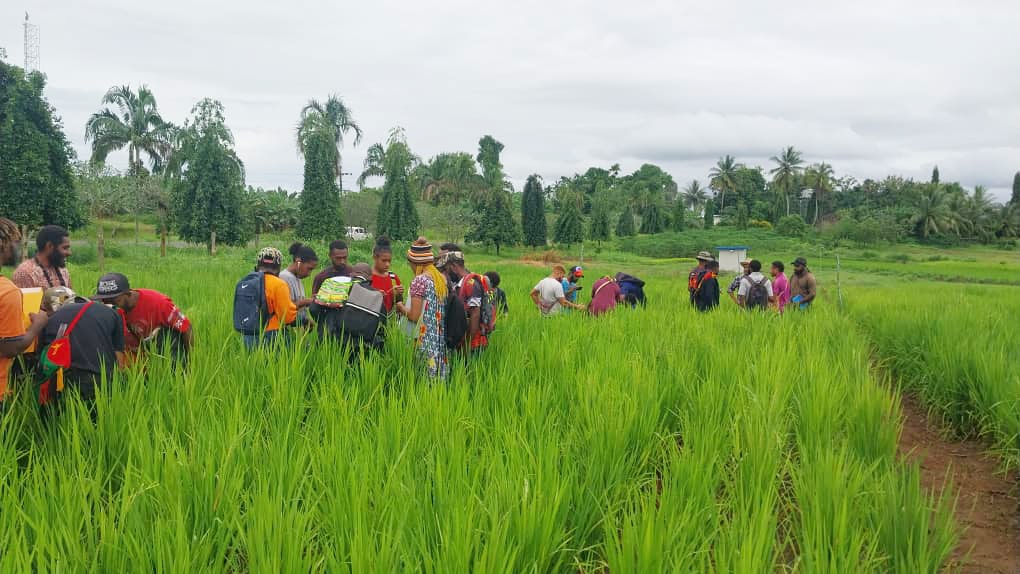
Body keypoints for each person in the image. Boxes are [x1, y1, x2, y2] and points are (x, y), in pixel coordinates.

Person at [38, 287, 126, 420]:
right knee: (102, 424)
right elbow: (119, 359)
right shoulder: (111, 312)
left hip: (67, 382)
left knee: (66, 425)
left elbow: (45, 361)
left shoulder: (52, 319)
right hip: (104, 380)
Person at [91, 272, 193, 369]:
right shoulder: (111, 310)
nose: (109, 305)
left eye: (114, 300)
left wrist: (191, 360)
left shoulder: (158, 303)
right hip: (137, 355)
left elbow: (186, 328)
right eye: (104, 301)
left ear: (127, 294)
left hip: (163, 352)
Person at [0, 218, 48, 407]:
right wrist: (37, 325)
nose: (18, 248)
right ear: (3, 244)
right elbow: (10, 348)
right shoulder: (6, 291)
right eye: (15, 242)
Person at [394, 238, 449, 380]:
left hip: (422, 340)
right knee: (437, 381)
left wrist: (400, 306)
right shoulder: (440, 279)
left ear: (416, 263)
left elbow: (414, 316)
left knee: (422, 379)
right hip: (438, 339)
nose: (410, 267)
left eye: (410, 264)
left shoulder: (419, 281)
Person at [236, 247, 298, 349]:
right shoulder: (279, 284)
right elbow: (287, 317)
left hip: (247, 335)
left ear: (257, 266)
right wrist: (301, 319)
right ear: (278, 269)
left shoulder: (245, 282)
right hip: (272, 336)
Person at [436, 244, 488, 353]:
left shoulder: (471, 284)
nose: (445, 273)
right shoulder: (457, 284)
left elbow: (475, 315)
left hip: (472, 344)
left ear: (454, 267)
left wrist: (466, 347)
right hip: (462, 341)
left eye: (446, 269)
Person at [13, 225, 72, 290]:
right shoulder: (25, 273)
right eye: (65, 248)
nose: (69, 253)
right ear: (49, 246)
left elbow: (70, 295)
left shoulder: (62, 270)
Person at [279, 242, 318, 327]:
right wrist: (306, 301)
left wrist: (306, 320)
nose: (309, 274)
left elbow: (298, 306)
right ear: (298, 262)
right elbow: (284, 309)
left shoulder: (297, 278)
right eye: (309, 269)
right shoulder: (284, 278)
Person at [370, 236, 404, 315]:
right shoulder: (367, 278)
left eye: (389, 261)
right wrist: (376, 295)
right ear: (374, 257)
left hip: (389, 318)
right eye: (384, 260)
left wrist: (397, 294)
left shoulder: (393, 278)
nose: (387, 264)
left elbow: (398, 303)